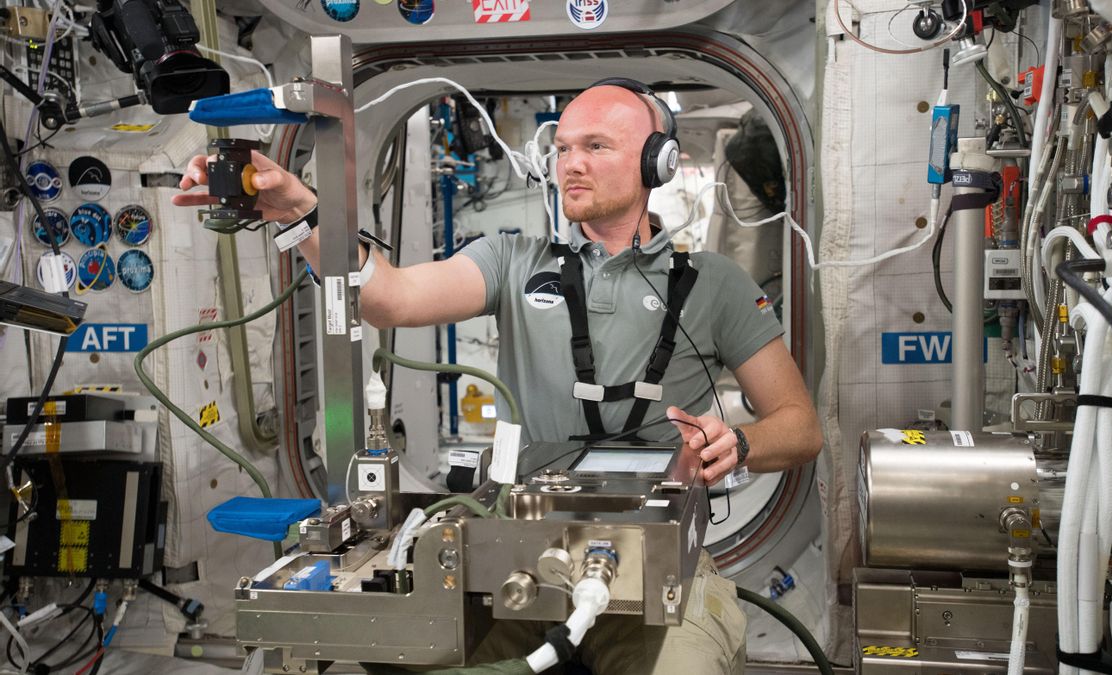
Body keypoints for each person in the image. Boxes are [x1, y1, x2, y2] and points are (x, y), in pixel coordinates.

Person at [174, 77, 822, 674]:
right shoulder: (510, 259)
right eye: (563, 147)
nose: (571, 162)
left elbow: (799, 426)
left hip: (660, 565)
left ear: (658, 161)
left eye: (596, 145)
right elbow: (389, 297)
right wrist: (303, 213)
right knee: (402, 649)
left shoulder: (718, 286)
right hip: (519, 559)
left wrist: (737, 443)